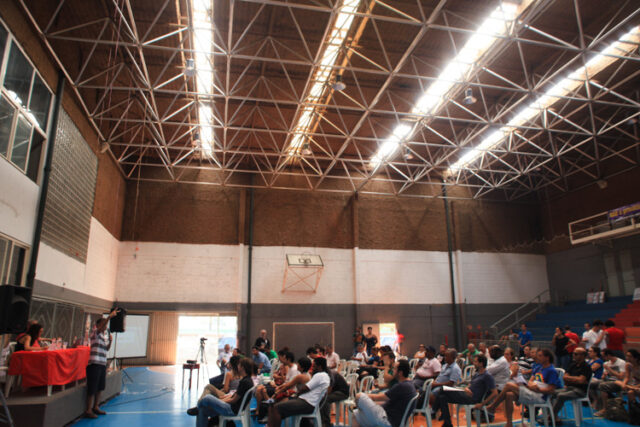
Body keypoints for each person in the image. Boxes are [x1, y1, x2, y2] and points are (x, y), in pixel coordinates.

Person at [488, 349, 561, 427]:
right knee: (509, 394)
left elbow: (551, 390)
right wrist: (529, 385)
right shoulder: (538, 368)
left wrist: (538, 389)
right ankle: (509, 423)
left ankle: (493, 406)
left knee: (509, 385)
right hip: (531, 391)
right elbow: (530, 381)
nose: (538, 357)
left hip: (540, 395)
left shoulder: (551, 371)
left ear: (547, 358)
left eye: (540, 356)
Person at [433, 355, 497, 427]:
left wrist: (482, 404)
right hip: (465, 394)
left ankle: (434, 410)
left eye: (475, 362)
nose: (473, 363)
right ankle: (448, 423)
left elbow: (495, 393)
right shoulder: (476, 374)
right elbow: (469, 385)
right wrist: (466, 388)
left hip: (472, 398)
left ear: (481, 364)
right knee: (442, 397)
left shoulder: (487, 376)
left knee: (442, 389)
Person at [351, 359, 416, 427]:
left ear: (400, 372)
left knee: (359, 396)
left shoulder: (402, 386)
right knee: (356, 415)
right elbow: (386, 401)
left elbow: (378, 398)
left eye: (394, 369)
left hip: (387, 419)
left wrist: (365, 395)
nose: (392, 370)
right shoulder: (409, 384)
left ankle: (358, 406)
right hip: (389, 417)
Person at [268, 357, 330, 427]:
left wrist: (296, 394)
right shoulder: (324, 376)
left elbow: (305, 388)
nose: (312, 368)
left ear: (319, 366)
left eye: (314, 366)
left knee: (276, 408)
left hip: (306, 403)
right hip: (307, 402)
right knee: (276, 407)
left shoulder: (319, 376)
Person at [195, 357, 255, 427]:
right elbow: (233, 396)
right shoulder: (247, 380)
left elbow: (233, 400)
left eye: (239, 365)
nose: (237, 366)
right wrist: (219, 400)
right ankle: (198, 408)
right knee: (202, 410)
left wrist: (220, 401)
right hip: (233, 407)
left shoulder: (245, 382)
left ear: (242, 368)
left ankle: (197, 407)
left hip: (231, 409)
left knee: (208, 398)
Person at [84, 309, 118, 418]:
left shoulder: (103, 337)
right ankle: (88, 410)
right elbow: (101, 327)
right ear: (98, 325)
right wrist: (109, 317)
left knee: (100, 387)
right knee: (92, 388)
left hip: (102, 364)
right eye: (104, 324)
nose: (105, 327)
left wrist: (111, 341)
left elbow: (106, 349)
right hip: (94, 364)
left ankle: (96, 406)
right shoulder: (95, 333)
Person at [596, 349, 640, 417]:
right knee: (605, 385)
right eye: (627, 356)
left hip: (636, 385)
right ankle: (605, 408)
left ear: (636, 358)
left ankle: (635, 412)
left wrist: (636, 387)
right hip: (632, 385)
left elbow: (621, 376)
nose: (627, 358)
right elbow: (627, 377)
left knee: (630, 392)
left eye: (630, 356)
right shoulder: (628, 365)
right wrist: (624, 384)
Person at [551, 348, 591, 421]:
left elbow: (581, 381)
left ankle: (552, 416)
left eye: (576, 354)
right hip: (569, 388)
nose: (573, 355)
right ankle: (551, 414)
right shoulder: (572, 365)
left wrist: (570, 379)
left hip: (580, 391)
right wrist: (576, 379)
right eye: (573, 353)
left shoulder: (586, 367)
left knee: (561, 396)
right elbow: (564, 377)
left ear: (583, 355)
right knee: (551, 393)